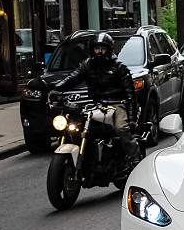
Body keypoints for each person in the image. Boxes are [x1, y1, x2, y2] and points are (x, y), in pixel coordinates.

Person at [49, 33, 141, 167]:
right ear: (92, 49)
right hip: (95, 104)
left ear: (109, 50)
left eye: (102, 49)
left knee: (121, 129)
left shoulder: (119, 68)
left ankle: (134, 157)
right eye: (96, 48)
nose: (99, 52)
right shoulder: (87, 65)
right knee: (76, 127)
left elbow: (130, 95)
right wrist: (56, 89)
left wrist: (132, 120)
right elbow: (72, 78)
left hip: (116, 104)